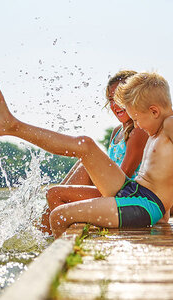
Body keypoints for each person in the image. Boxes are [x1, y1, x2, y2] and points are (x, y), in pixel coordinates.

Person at [0, 72, 173, 238]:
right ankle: (12, 126)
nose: (136, 125)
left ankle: (57, 270)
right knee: (85, 145)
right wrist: (164, 217)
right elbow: (165, 174)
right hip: (134, 190)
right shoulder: (158, 128)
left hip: (144, 205)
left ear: (154, 110)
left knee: (59, 216)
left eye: (137, 118)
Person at [41, 70, 148, 234]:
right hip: (112, 191)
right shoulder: (117, 132)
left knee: (55, 193)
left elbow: (123, 179)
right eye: (111, 99)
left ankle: (54, 243)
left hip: (126, 197)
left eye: (121, 97)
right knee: (83, 164)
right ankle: (41, 232)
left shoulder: (138, 131)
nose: (115, 104)